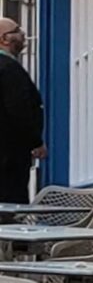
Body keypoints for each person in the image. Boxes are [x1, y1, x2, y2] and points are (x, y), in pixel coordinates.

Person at [0, 19, 42, 204]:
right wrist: (35, 141)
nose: (23, 34)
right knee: (11, 205)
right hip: (10, 156)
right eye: (17, 30)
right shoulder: (9, 68)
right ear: (4, 39)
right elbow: (19, 109)